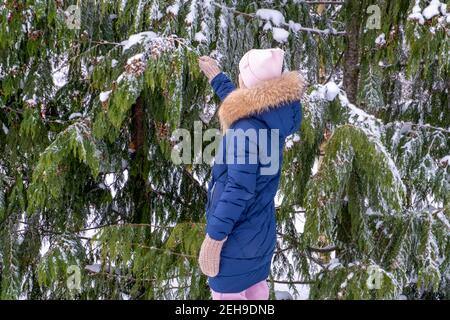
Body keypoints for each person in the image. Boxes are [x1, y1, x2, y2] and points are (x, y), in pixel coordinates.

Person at [197, 48, 306, 300]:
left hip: (234, 242)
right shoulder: (271, 116)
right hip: (259, 236)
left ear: (248, 81)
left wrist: (214, 239)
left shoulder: (244, 129)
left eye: (241, 74)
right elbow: (243, 104)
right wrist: (216, 76)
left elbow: (238, 189)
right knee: (257, 293)